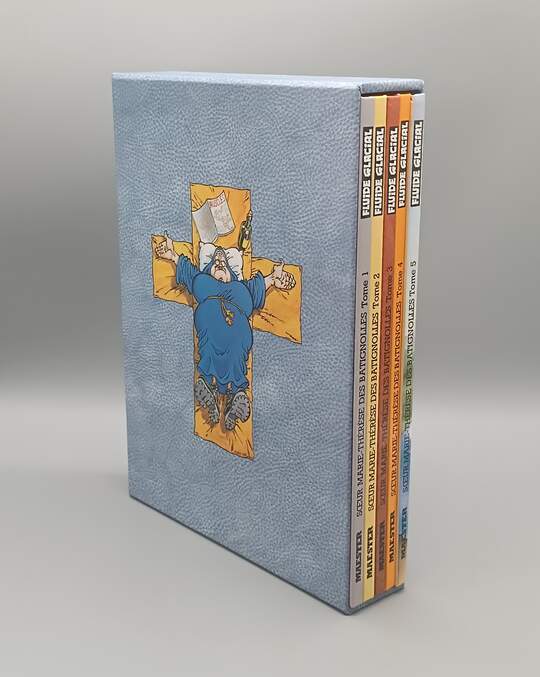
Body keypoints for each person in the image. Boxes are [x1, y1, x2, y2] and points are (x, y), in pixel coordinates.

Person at [155, 232, 296, 430]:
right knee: (208, 346)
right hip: (210, 323)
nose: (220, 262)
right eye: (215, 261)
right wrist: (171, 255)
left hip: (237, 330)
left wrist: (274, 278)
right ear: (208, 270)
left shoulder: (242, 287)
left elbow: (260, 285)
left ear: (232, 273)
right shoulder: (200, 279)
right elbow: (185, 268)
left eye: (223, 262)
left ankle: (235, 397)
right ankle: (210, 388)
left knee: (237, 351)